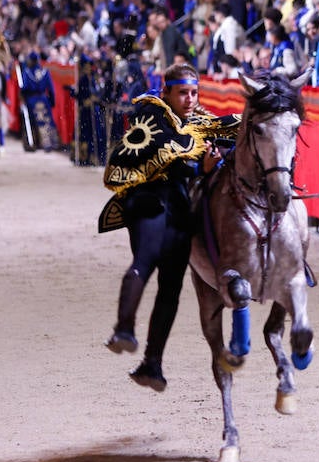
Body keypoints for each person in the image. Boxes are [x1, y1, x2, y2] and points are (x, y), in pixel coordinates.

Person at [99, 64, 240, 390]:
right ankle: (123, 329)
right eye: (182, 93)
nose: (189, 99)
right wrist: (198, 163)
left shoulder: (198, 122)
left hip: (178, 205)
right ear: (167, 92)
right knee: (146, 259)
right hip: (147, 199)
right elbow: (164, 148)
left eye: (194, 93)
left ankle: (152, 364)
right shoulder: (151, 112)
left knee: (172, 286)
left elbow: (227, 129)